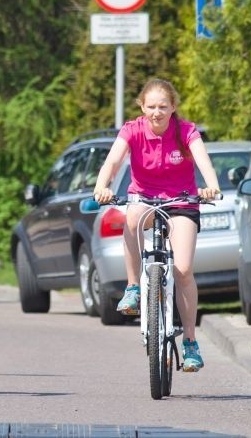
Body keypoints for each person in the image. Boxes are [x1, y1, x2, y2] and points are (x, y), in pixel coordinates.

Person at [93, 78, 220, 373]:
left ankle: (190, 343)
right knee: (132, 218)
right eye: (151, 106)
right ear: (142, 106)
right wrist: (102, 185)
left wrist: (211, 185)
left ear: (173, 107)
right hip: (144, 198)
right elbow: (112, 162)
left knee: (184, 269)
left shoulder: (186, 131)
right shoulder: (132, 130)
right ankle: (134, 287)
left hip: (182, 201)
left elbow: (204, 161)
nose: (157, 112)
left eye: (163, 106)